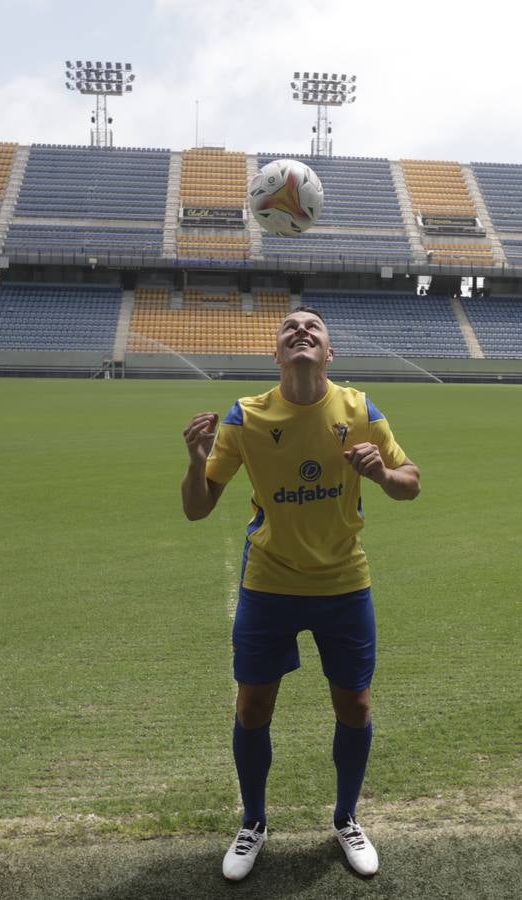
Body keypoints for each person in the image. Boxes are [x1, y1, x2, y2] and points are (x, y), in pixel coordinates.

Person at [181, 306, 421, 882]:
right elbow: (197, 507)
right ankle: (254, 822)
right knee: (253, 706)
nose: (301, 331)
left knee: (355, 706)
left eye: (313, 327)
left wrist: (383, 476)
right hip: (269, 584)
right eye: (290, 328)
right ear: (277, 354)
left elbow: (410, 481)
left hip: (343, 582)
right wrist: (195, 461)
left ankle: (346, 819)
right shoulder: (246, 416)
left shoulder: (360, 409)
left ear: (329, 353)